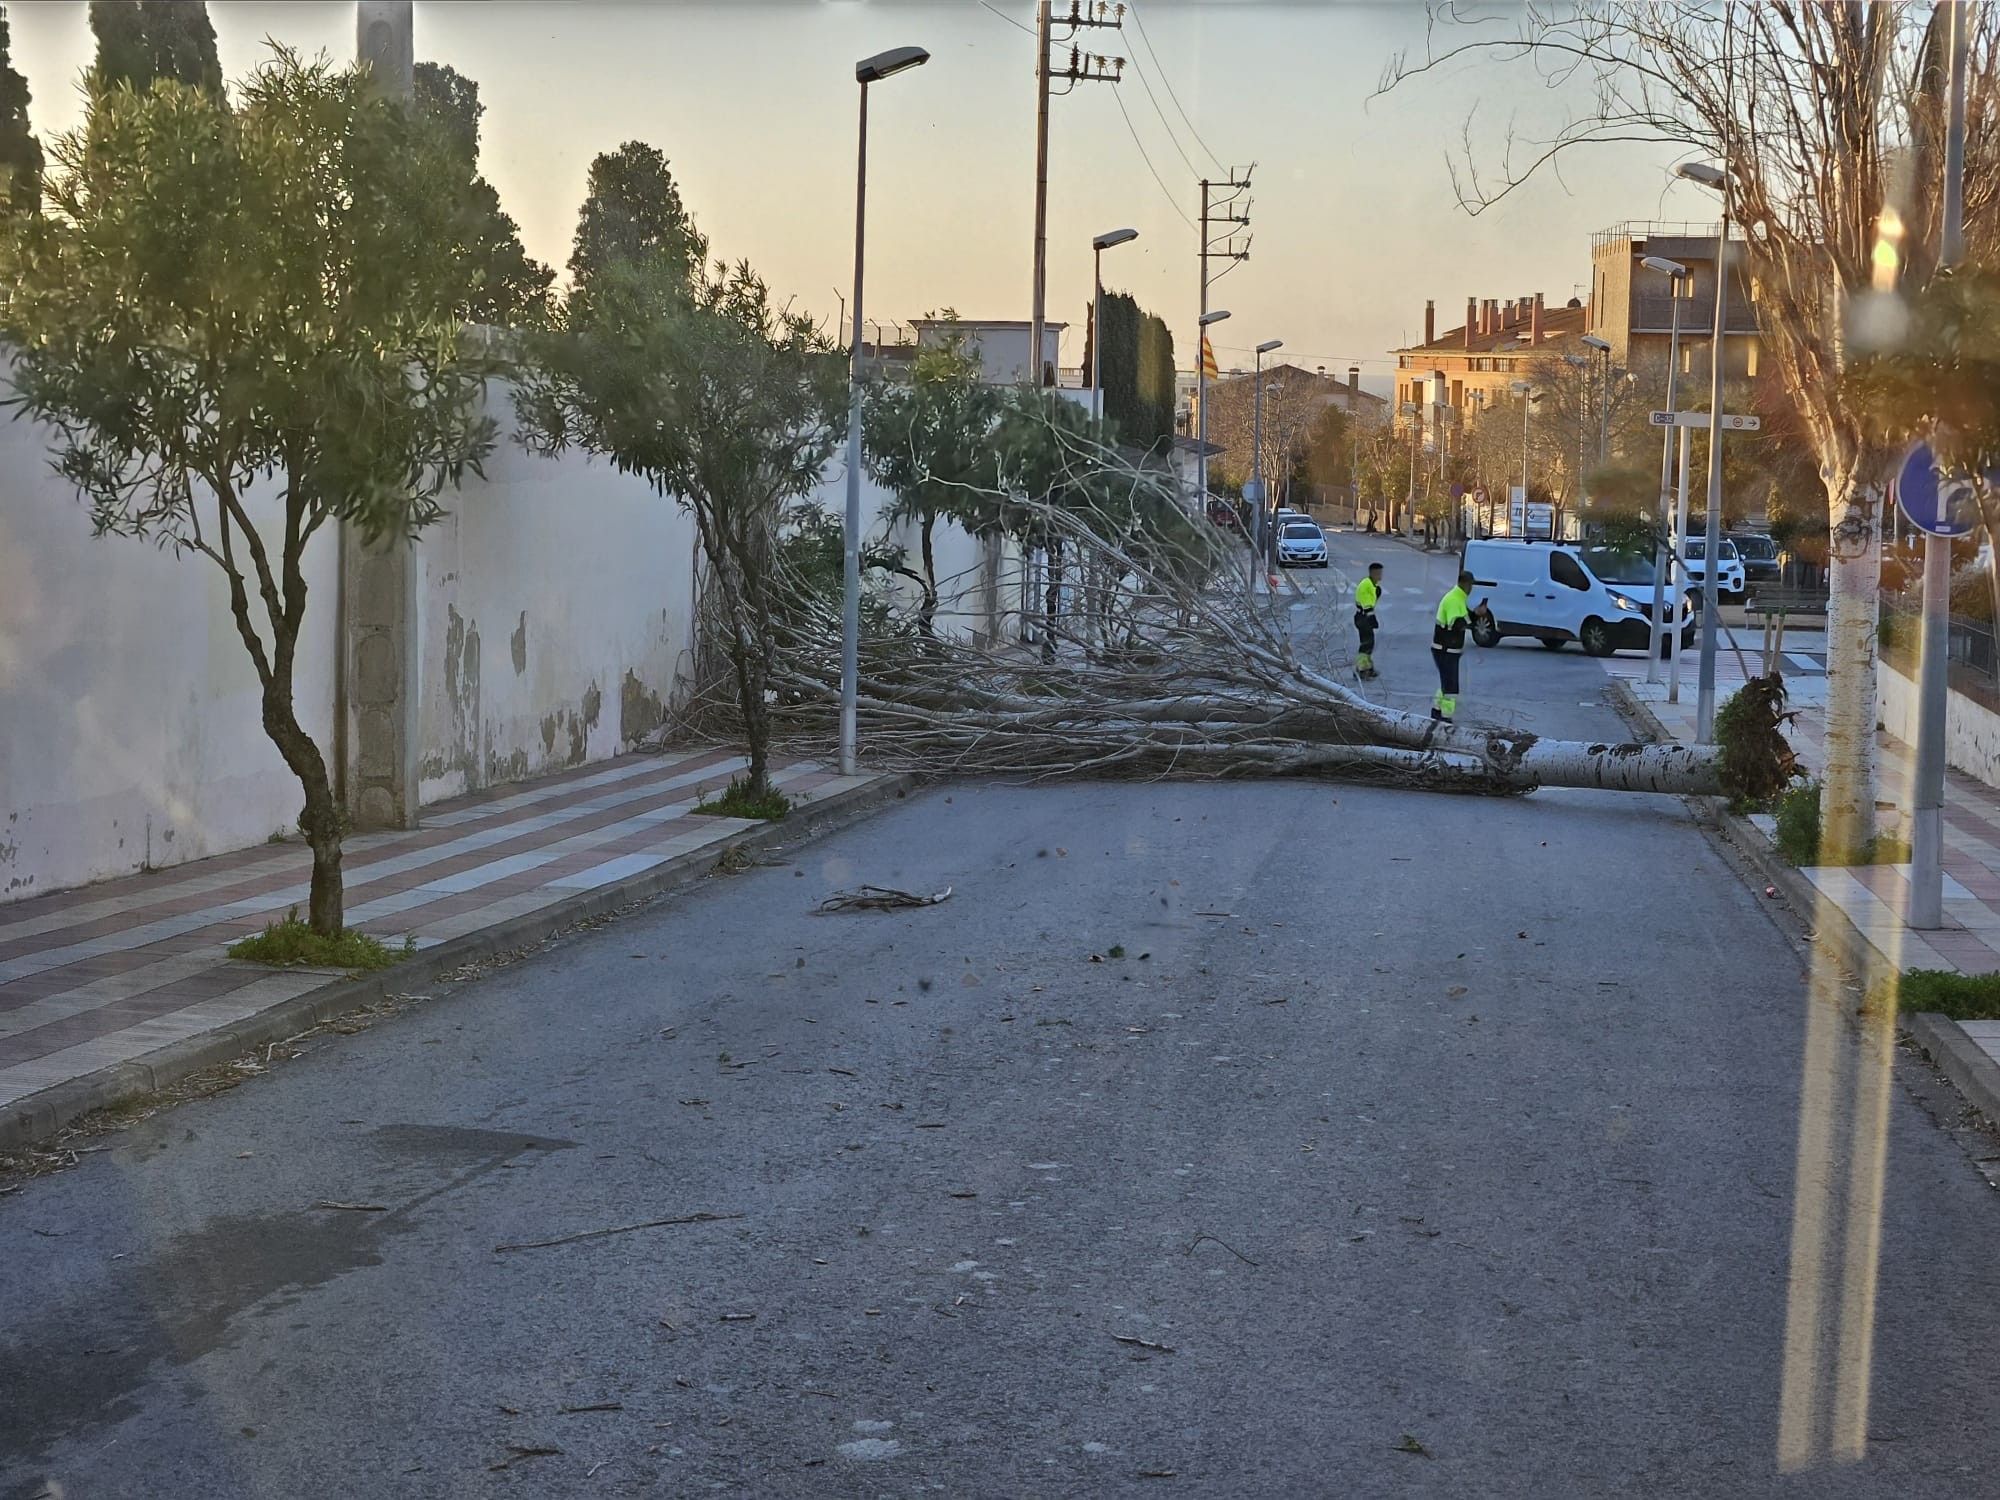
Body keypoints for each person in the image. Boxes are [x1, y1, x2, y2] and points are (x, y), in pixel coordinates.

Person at [1431, 569, 1490, 722]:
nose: (1471, 589)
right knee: (1451, 688)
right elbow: (1458, 624)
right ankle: (1445, 719)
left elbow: (1465, 617)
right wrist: (1472, 620)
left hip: (1445, 649)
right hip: (1445, 650)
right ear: (1464, 584)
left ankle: (1436, 713)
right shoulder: (1454, 599)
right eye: (1471, 585)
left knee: (1446, 684)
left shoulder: (1458, 598)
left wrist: (1476, 613)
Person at [1354, 562, 1383, 680]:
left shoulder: (1372, 584)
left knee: (1369, 643)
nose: (1381, 575)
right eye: (1379, 573)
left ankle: (1368, 668)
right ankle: (1361, 670)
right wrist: (1372, 619)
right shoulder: (1367, 585)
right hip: (1363, 617)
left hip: (1362, 617)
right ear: (1373, 573)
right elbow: (1367, 606)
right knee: (1366, 644)